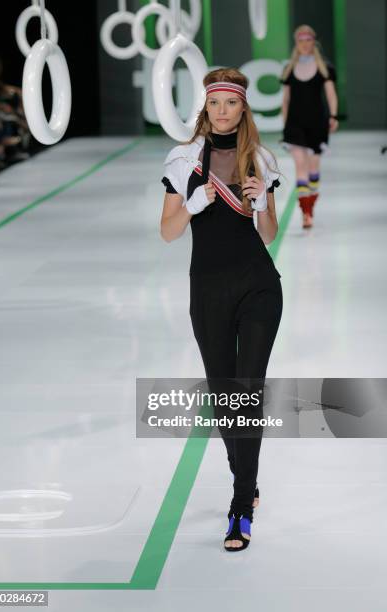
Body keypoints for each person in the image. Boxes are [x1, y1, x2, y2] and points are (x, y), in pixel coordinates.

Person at [160, 68, 283, 552]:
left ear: (243, 108)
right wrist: (192, 203)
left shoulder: (261, 159)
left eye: (231, 104)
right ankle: (246, 478)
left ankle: (238, 508)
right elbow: (168, 232)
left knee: (247, 393)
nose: (223, 112)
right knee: (225, 397)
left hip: (258, 287)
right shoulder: (184, 159)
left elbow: (270, 235)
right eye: (216, 104)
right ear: (206, 108)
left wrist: (262, 206)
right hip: (207, 290)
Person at [280, 25, 339, 228]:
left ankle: (310, 205)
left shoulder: (325, 68)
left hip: (317, 124)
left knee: (313, 168)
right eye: (300, 40)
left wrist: (333, 116)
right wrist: (285, 123)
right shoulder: (289, 69)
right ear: (296, 43)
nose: (305, 44)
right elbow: (285, 100)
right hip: (294, 124)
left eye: (308, 39)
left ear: (313, 41)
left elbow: (331, 94)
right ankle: (306, 213)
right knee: (300, 166)